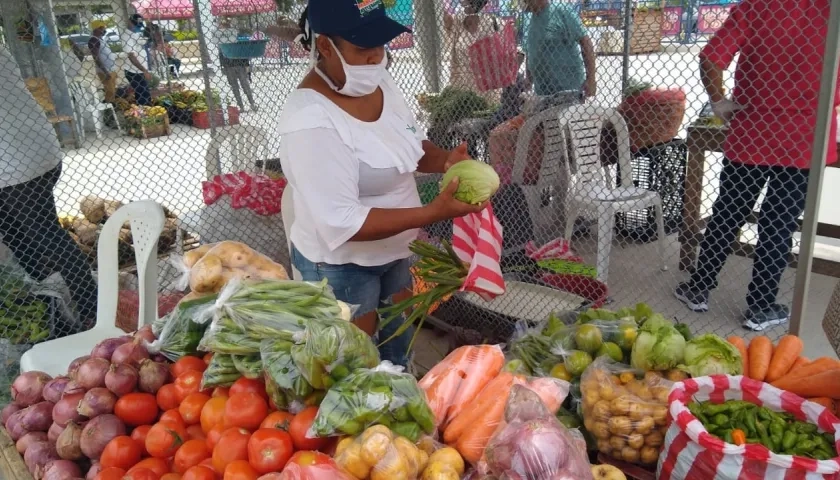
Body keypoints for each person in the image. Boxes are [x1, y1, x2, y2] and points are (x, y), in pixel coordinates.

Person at [277, 0, 486, 367]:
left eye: (380, 43)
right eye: (363, 47)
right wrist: (432, 213)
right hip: (341, 267)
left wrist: (446, 160)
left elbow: (408, 146)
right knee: (354, 370)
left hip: (395, 253)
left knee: (398, 355)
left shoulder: (379, 81)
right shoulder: (311, 119)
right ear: (325, 46)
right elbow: (343, 222)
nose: (376, 57)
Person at [674, 0, 839, 331]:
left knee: (727, 214)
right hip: (805, 139)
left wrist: (718, 101)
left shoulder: (755, 7)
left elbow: (710, 57)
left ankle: (699, 288)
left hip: (751, 133)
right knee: (779, 224)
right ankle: (761, 306)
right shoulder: (831, 12)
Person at [0, 43, 98, 331]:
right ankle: (54, 308)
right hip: (35, 151)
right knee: (20, 238)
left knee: (43, 236)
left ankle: (91, 311)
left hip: (16, 163)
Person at [522, 0, 596, 99]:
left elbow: (585, 42)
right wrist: (529, 78)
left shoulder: (562, 11)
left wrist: (591, 79)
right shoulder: (529, 19)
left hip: (568, 89)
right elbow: (530, 50)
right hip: (542, 92)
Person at [443, 0, 500, 101]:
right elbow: (450, 49)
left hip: (485, 84)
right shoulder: (457, 21)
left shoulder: (489, 22)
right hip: (462, 83)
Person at [120, 14, 152, 106]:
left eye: (139, 26)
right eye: (135, 25)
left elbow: (145, 39)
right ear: (129, 22)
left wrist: (148, 27)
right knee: (143, 95)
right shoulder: (126, 36)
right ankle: (144, 111)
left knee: (144, 94)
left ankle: (144, 110)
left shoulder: (136, 34)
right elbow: (131, 56)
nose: (137, 27)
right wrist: (144, 70)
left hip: (140, 71)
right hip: (134, 72)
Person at [89, 22, 119, 103]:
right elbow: (96, 57)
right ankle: (108, 105)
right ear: (95, 29)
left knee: (113, 90)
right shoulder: (93, 40)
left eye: (103, 28)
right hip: (104, 71)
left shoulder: (101, 39)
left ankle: (112, 105)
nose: (103, 30)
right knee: (110, 91)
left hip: (111, 69)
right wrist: (105, 72)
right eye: (101, 28)